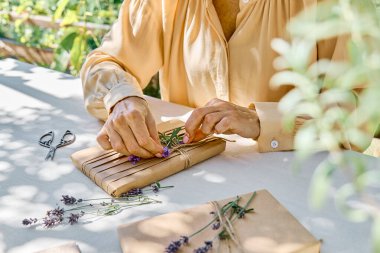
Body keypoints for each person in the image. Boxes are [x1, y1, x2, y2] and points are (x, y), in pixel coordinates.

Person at [81, 0, 344, 158]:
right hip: (188, 182)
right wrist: (122, 98)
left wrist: (261, 121)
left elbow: (355, 112)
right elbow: (106, 61)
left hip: (299, 189)